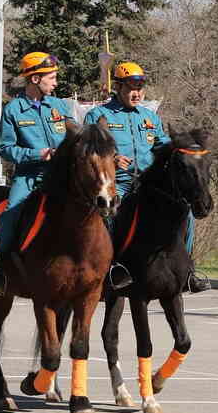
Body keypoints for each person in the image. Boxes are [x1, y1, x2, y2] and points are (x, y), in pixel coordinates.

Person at [84, 61, 210, 293]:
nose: (137, 93)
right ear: (118, 87)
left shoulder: (149, 117)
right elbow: (89, 151)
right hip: (116, 183)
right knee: (110, 214)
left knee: (186, 212)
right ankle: (114, 268)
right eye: (132, 87)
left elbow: (164, 147)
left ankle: (188, 271)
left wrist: (187, 149)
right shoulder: (98, 115)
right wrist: (112, 160)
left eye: (141, 87)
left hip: (147, 184)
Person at [0, 52, 75, 296]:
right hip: (30, 176)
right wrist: (39, 154)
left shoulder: (59, 106)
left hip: (63, 176)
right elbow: (5, 149)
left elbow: (75, 135)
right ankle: (2, 269)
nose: (56, 83)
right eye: (52, 78)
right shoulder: (13, 110)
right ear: (35, 79)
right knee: (10, 213)